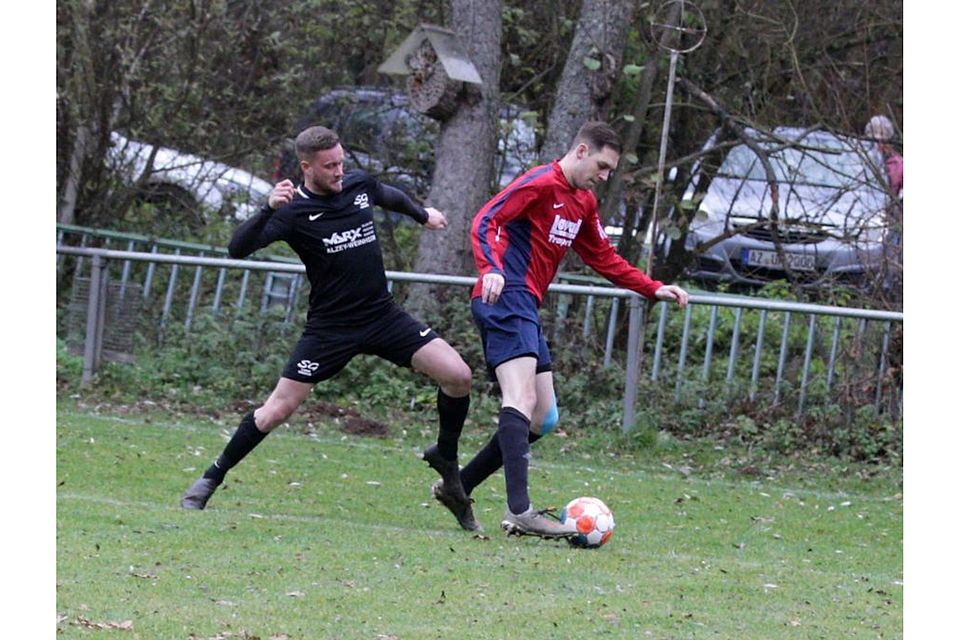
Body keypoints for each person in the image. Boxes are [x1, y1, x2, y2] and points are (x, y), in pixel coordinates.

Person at [180, 126, 474, 521]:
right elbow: (237, 248)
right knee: (276, 410)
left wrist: (423, 215)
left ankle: (446, 457)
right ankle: (209, 480)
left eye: (341, 162)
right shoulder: (293, 211)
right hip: (330, 329)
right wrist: (268, 208)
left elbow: (387, 194)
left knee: (458, 375)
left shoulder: (358, 186)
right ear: (307, 167)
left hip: (382, 316)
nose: (339, 171)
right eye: (329, 166)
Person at [427, 121, 689, 539]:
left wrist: (652, 287)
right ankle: (520, 511)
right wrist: (491, 268)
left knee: (543, 417)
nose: (604, 177)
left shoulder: (583, 202)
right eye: (602, 166)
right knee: (521, 396)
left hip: (525, 304)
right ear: (581, 151)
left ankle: (459, 484)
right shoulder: (539, 183)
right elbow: (485, 220)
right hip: (504, 296)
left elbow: (603, 256)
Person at [864, 114, 903, 296]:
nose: (877, 139)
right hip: (863, 211)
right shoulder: (861, 160)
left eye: (881, 134)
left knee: (891, 245)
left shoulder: (898, 164)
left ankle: (886, 285)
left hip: (889, 214)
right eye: (873, 134)